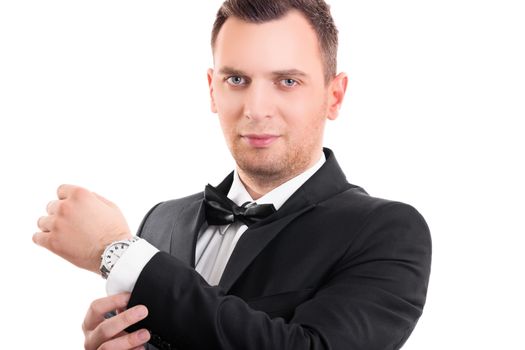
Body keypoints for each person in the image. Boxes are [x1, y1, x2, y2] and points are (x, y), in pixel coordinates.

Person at [34, 0, 432, 349]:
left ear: (334, 95)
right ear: (212, 89)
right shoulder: (162, 219)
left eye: (287, 81)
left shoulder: (387, 230)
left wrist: (116, 251)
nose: (257, 108)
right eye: (237, 80)